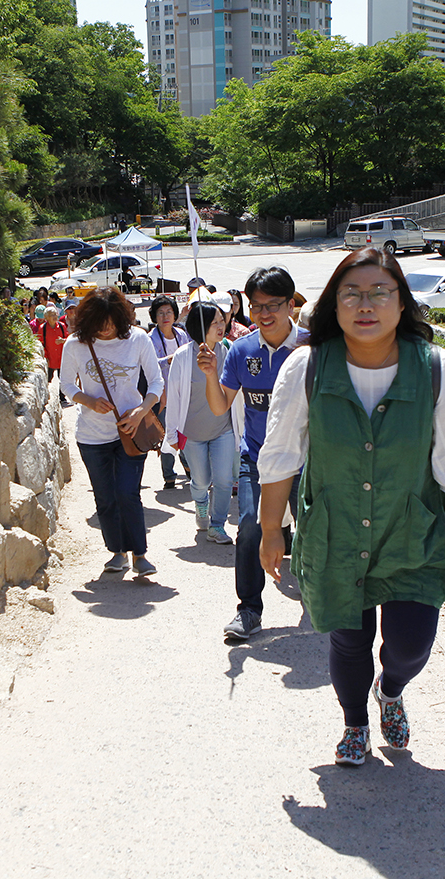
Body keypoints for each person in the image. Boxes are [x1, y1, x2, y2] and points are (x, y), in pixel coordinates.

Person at [256, 248, 445, 766]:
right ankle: (354, 723)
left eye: (380, 292)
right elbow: (280, 455)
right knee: (348, 639)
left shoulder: (436, 369)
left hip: (413, 532)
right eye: (351, 293)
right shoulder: (307, 367)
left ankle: (393, 688)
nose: (366, 304)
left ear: (402, 303)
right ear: (332, 307)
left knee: (411, 643)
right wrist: (273, 528)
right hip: (335, 531)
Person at [198, 266, 307, 642]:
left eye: (273, 305)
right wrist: (211, 374)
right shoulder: (241, 351)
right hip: (257, 459)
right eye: (256, 306)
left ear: (291, 305)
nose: (263, 314)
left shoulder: (314, 347)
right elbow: (218, 407)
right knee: (248, 527)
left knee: (315, 532)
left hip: (309, 462)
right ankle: (248, 610)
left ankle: (317, 599)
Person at [59, 287, 165, 578]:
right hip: (92, 436)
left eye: (111, 323)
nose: (105, 330)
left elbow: (156, 383)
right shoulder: (75, 344)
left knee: (128, 493)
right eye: (99, 324)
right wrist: (88, 400)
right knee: (105, 497)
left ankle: (139, 555)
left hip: (130, 432)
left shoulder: (138, 338)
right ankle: (116, 552)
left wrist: (141, 411)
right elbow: (66, 384)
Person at [165, 301, 242, 545]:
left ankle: (217, 525)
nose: (221, 326)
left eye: (223, 320)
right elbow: (175, 398)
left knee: (224, 480)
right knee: (200, 480)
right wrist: (172, 435)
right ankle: (201, 504)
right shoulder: (183, 356)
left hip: (223, 429)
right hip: (192, 433)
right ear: (201, 328)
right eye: (215, 323)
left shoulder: (227, 351)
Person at [148, 296, 189, 490]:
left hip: (184, 391)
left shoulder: (181, 334)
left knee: (186, 431)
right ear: (155, 316)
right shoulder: (150, 338)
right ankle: (169, 475)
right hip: (163, 394)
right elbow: (149, 365)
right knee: (167, 434)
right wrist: (169, 360)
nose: (165, 316)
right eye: (160, 313)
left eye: (169, 312)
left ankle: (189, 467)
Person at [36, 304, 67, 386]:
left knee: (64, 379)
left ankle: (62, 397)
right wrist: (46, 357)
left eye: (55, 314)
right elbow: (40, 344)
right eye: (52, 315)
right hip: (50, 359)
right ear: (46, 317)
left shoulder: (61, 326)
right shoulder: (43, 328)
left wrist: (63, 340)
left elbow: (68, 339)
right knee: (48, 379)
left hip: (61, 358)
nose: (55, 316)